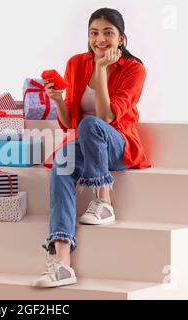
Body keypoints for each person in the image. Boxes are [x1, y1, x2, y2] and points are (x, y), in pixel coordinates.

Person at [33, 7, 151, 288]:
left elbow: (107, 116)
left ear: (121, 39)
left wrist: (100, 70)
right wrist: (58, 100)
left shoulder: (134, 69)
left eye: (108, 33)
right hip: (85, 145)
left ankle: (104, 201)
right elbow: (68, 121)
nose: (100, 40)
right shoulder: (76, 63)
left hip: (116, 146)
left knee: (90, 125)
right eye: (94, 33)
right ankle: (62, 264)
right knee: (62, 162)